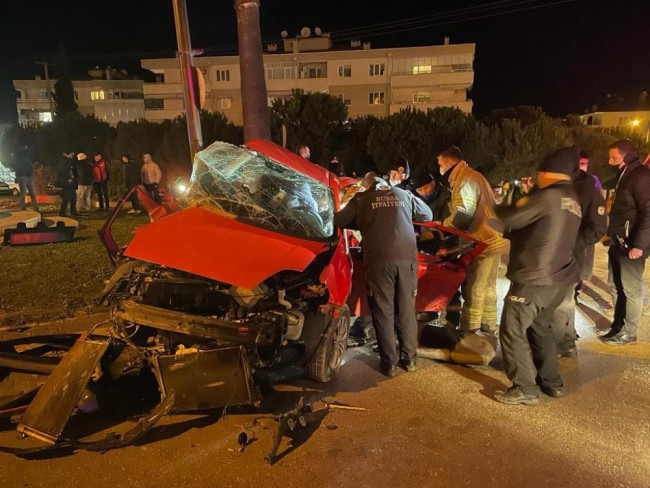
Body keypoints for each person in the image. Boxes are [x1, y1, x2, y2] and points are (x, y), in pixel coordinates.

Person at [491, 147, 582, 405]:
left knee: (512, 329)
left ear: (547, 174)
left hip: (535, 278)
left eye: (538, 173)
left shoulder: (547, 196)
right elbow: (539, 230)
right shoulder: (571, 198)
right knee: (540, 328)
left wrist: (492, 208)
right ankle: (552, 383)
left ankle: (524, 387)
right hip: (558, 279)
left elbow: (512, 217)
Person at [334, 176, 433, 377]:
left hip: (378, 261)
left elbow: (339, 220)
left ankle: (389, 364)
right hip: (407, 260)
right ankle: (410, 359)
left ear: (367, 187)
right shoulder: (404, 194)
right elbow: (427, 214)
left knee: (383, 309)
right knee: (406, 308)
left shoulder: (361, 200)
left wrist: (365, 219)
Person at [437, 146, 508, 336]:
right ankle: (488, 326)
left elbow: (463, 214)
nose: (440, 168)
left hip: (483, 241)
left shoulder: (465, 179)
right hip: (493, 238)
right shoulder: (472, 176)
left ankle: (471, 329)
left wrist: (444, 224)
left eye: (440, 164)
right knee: (488, 287)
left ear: (450, 163)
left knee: (475, 287)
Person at [553, 149, 607, 357]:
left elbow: (597, 228)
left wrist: (573, 243)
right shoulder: (561, 185)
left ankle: (565, 343)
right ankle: (561, 336)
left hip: (573, 254)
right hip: (553, 254)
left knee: (565, 300)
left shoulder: (588, 190)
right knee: (555, 299)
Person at [599, 140, 650, 345]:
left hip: (632, 246)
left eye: (614, 157)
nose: (610, 161)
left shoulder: (641, 176)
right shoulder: (624, 174)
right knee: (615, 286)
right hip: (618, 243)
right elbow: (622, 211)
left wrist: (639, 245)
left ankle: (630, 332)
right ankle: (617, 326)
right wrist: (611, 235)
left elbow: (648, 212)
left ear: (627, 156)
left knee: (631, 290)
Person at [14, 144, 39, 212]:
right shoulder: (20, 156)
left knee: (32, 192)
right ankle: (23, 207)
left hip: (28, 176)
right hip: (22, 175)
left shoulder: (28, 157)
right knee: (23, 192)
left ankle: (35, 207)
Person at [57, 151, 78, 217]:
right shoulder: (64, 161)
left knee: (73, 198)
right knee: (66, 198)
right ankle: (62, 212)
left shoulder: (70, 161)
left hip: (71, 182)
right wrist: (68, 178)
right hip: (66, 182)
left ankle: (73, 212)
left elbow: (73, 170)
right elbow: (63, 171)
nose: (73, 155)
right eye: (72, 153)